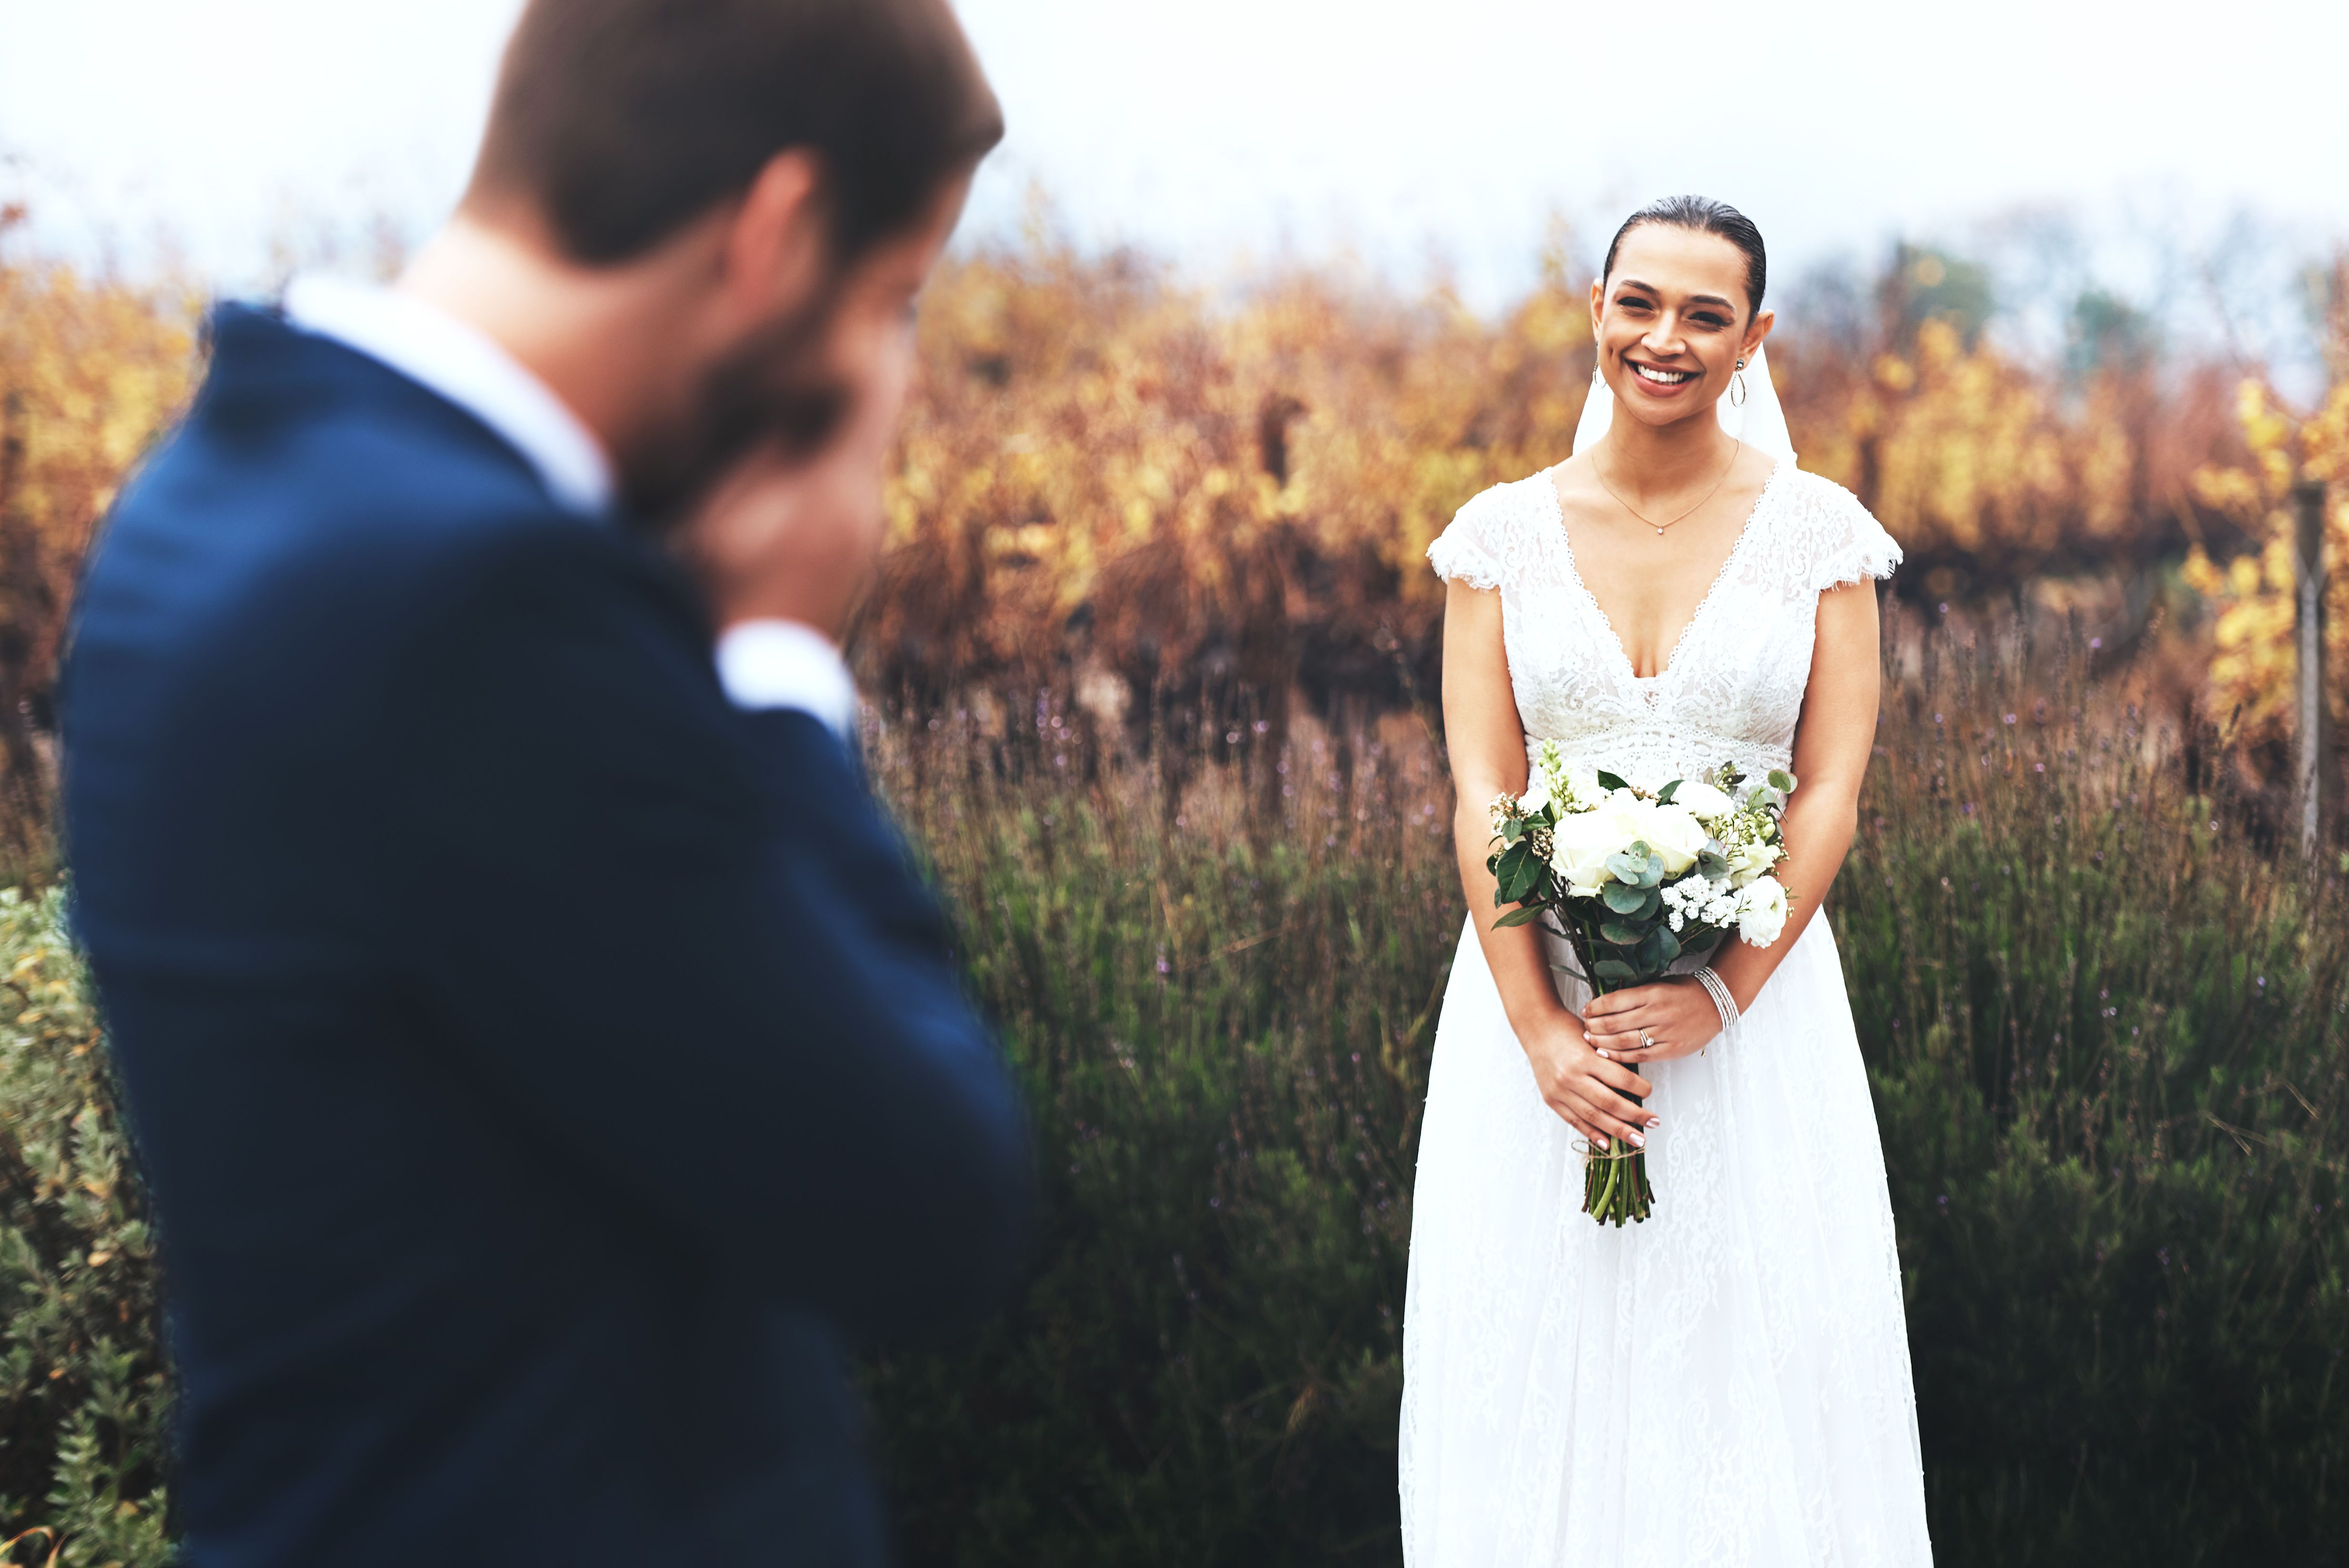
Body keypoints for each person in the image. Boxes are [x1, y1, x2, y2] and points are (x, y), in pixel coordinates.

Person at [58, 1, 1031, 1563]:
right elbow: (926, 1203)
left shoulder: (213, 493)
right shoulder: (480, 602)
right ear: (777, 231)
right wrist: (783, 663)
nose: (887, 376)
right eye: (894, 297)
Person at [1398, 196, 1933, 1565]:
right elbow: (1485, 790)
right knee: (1530, 1353)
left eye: (1706, 315)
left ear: (1754, 339)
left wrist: (1723, 998)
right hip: (1539, 1013)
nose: (1666, 339)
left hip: (1751, 1022)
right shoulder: (1499, 539)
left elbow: (1828, 787)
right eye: (1641, 304)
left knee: (1751, 1374)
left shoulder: (1821, 537)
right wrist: (1541, 1035)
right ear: (1597, 308)